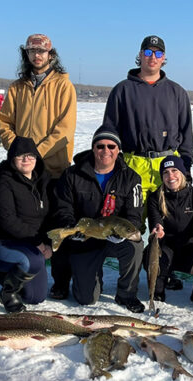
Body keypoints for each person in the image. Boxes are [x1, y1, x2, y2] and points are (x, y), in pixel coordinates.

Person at [50, 126, 145, 312]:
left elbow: (135, 215)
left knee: (135, 245)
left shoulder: (131, 178)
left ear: (118, 150)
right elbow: (63, 207)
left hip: (114, 236)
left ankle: (126, 294)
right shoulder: (72, 175)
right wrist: (71, 229)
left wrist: (126, 232)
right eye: (100, 146)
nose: (106, 151)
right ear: (93, 148)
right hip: (87, 237)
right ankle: (87, 278)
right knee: (86, 299)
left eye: (111, 146)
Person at [102, 35, 193, 204]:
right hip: (133, 164)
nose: (153, 57)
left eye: (158, 54)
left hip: (168, 166)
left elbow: (186, 132)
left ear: (164, 58)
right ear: (140, 54)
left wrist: (185, 166)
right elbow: (109, 131)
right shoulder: (122, 90)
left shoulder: (177, 92)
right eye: (148, 52)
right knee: (133, 224)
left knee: (167, 224)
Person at [0, 137, 52, 312]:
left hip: (30, 242)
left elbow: (50, 216)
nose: (26, 159)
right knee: (34, 260)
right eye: (20, 156)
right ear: (12, 159)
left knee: (35, 297)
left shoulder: (44, 180)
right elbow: (7, 220)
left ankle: (0, 274)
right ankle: (6, 291)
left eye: (30, 155)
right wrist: (38, 243)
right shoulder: (3, 182)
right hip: (2, 240)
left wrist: (49, 243)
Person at [0, 34, 77, 178]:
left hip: (53, 171)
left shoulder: (63, 86)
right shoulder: (17, 87)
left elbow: (66, 129)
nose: (37, 55)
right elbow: (5, 122)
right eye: (32, 51)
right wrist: (18, 150)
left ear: (51, 55)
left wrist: (37, 153)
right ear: (26, 54)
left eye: (41, 51)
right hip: (22, 169)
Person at [144, 155, 193, 304]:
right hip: (168, 250)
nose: (170, 176)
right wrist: (158, 228)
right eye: (166, 172)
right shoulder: (155, 198)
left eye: (174, 170)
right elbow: (156, 221)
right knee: (150, 252)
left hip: (192, 252)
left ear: (183, 173)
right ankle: (157, 291)